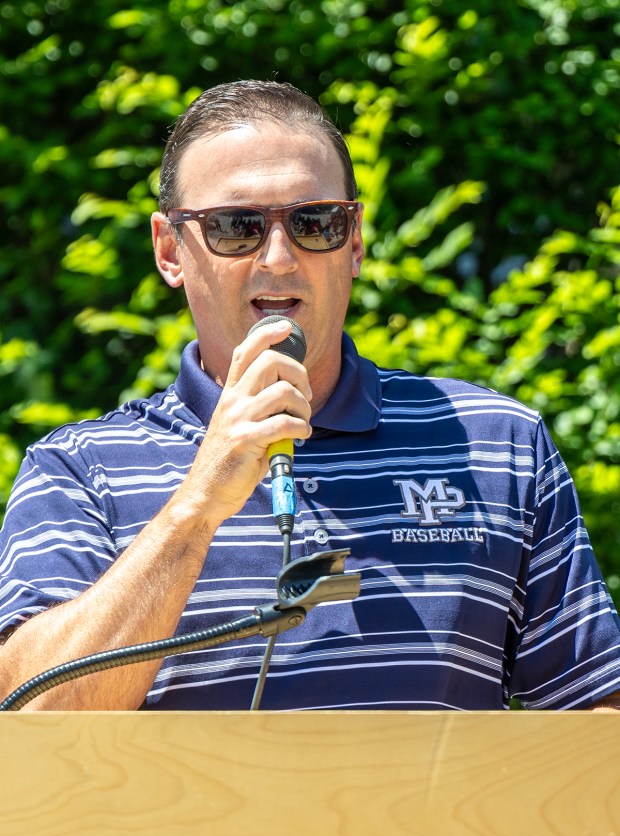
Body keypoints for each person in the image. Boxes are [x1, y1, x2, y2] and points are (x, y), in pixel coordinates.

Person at [0, 80, 618, 712]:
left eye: (314, 223)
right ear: (170, 251)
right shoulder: (77, 470)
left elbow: (598, 727)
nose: (278, 257)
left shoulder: (498, 444)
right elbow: (30, 723)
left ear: (353, 243)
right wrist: (196, 508)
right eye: (236, 227)